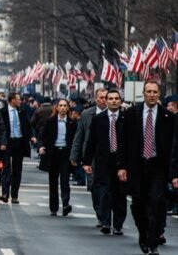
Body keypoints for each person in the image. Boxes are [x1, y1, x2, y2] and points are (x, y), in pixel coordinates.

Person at [117, 81, 175, 255]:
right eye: (148, 91)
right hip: (137, 166)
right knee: (139, 205)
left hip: (158, 167)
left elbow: (174, 147)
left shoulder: (169, 117)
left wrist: (174, 173)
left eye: (155, 92)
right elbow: (122, 141)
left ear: (159, 94)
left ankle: (153, 240)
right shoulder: (131, 114)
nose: (151, 94)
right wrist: (122, 166)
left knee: (156, 203)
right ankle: (143, 234)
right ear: (143, 93)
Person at [82, 89, 127, 236]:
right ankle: (106, 222)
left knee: (120, 194)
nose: (114, 101)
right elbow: (91, 142)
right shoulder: (98, 119)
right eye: (111, 98)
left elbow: (132, 142)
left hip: (121, 161)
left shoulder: (126, 119)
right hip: (103, 161)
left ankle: (118, 225)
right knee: (105, 192)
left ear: (120, 101)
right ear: (106, 101)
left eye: (116, 98)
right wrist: (87, 162)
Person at [71, 87, 108, 225]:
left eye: (106, 97)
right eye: (101, 97)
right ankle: (100, 213)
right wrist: (74, 155)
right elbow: (79, 136)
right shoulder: (87, 114)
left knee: (108, 187)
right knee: (94, 185)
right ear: (96, 99)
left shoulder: (117, 114)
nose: (104, 100)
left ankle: (107, 217)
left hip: (110, 156)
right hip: (92, 156)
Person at [38, 98, 76, 216]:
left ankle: (65, 204)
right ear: (57, 108)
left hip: (65, 153)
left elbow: (76, 139)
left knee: (65, 181)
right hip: (53, 154)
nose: (63, 108)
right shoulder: (50, 121)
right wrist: (41, 146)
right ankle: (53, 207)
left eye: (65, 105)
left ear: (68, 108)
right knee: (53, 182)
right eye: (61, 105)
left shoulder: (72, 122)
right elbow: (42, 136)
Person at [0, 92, 32, 204]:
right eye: (18, 99)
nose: (20, 101)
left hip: (19, 142)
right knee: (6, 168)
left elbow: (27, 126)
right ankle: (5, 193)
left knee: (17, 169)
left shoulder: (21, 111)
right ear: (12, 100)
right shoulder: (2, 112)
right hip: (7, 143)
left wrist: (31, 136)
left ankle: (14, 196)